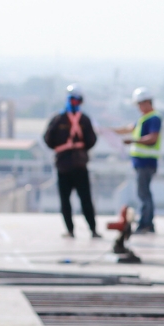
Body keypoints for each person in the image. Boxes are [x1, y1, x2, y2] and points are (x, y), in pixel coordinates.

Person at [43, 84, 99, 238]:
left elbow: (48, 140)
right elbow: (91, 141)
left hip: (69, 165)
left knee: (81, 199)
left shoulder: (61, 119)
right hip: (72, 165)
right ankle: (82, 229)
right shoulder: (76, 119)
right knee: (74, 200)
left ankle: (83, 229)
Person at [113, 87, 161, 233]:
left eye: (140, 104)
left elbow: (153, 138)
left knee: (144, 194)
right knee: (143, 193)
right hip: (141, 163)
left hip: (146, 162)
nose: (139, 108)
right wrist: (107, 131)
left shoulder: (154, 118)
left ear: (147, 102)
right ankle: (146, 222)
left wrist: (134, 141)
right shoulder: (143, 119)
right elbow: (127, 129)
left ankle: (146, 223)